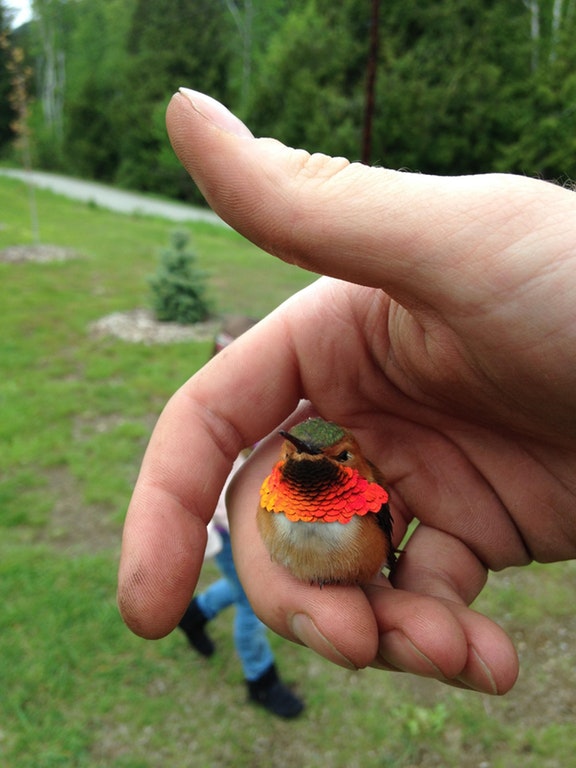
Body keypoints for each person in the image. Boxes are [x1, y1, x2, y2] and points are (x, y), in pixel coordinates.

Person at [118, 89, 576, 697]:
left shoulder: (368, 502)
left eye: (326, 458)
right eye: (297, 456)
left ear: (352, 466)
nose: (304, 460)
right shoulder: (273, 496)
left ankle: (205, 614)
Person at [177, 319, 304, 719]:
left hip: (260, 531)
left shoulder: (271, 417)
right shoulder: (212, 432)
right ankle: (261, 681)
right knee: (254, 606)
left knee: (241, 588)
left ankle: (194, 615)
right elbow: (212, 494)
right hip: (235, 535)